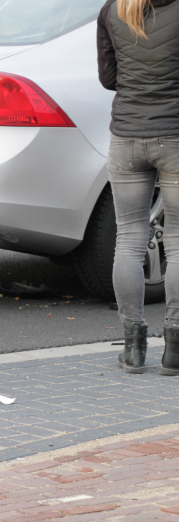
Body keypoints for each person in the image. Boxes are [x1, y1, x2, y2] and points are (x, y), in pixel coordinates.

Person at [98, 0, 179, 374]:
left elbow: (108, 77)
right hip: (174, 136)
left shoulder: (113, 10)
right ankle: (175, 349)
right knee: (177, 241)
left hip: (126, 138)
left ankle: (133, 348)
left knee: (129, 239)